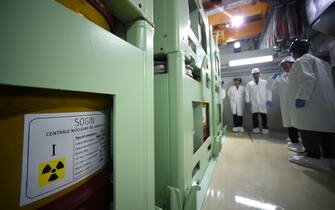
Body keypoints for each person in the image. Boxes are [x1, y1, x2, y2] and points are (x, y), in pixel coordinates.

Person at [287, 38, 335, 169]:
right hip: (324, 103)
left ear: (295, 52)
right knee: (325, 129)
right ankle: (329, 157)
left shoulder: (302, 61)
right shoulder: (322, 62)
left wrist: (301, 97)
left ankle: (313, 156)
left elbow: (308, 80)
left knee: (308, 128)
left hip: (310, 104)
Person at [272, 57, 304, 153]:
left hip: (299, 103)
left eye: (286, 65)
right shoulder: (280, 77)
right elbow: (271, 87)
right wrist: (272, 79)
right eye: (283, 66)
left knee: (301, 122)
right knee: (290, 122)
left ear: (293, 65)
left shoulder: (299, 74)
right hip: (286, 104)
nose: (285, 67)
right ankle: (294, 140)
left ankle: (301, 140)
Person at [245, 68, 272, 134]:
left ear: (259, 74)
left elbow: (269, 91)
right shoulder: (249, 83)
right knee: (255, 117)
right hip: (254, 102)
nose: (256, 75)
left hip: (263, 101)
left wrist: (269, 99)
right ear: (252, 75)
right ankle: (255, 128)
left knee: (264, 116)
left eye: (257, 73)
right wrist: (247, 101)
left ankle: (265, 128)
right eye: (254, 74)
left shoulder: (265, 82)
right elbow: (247, 92)